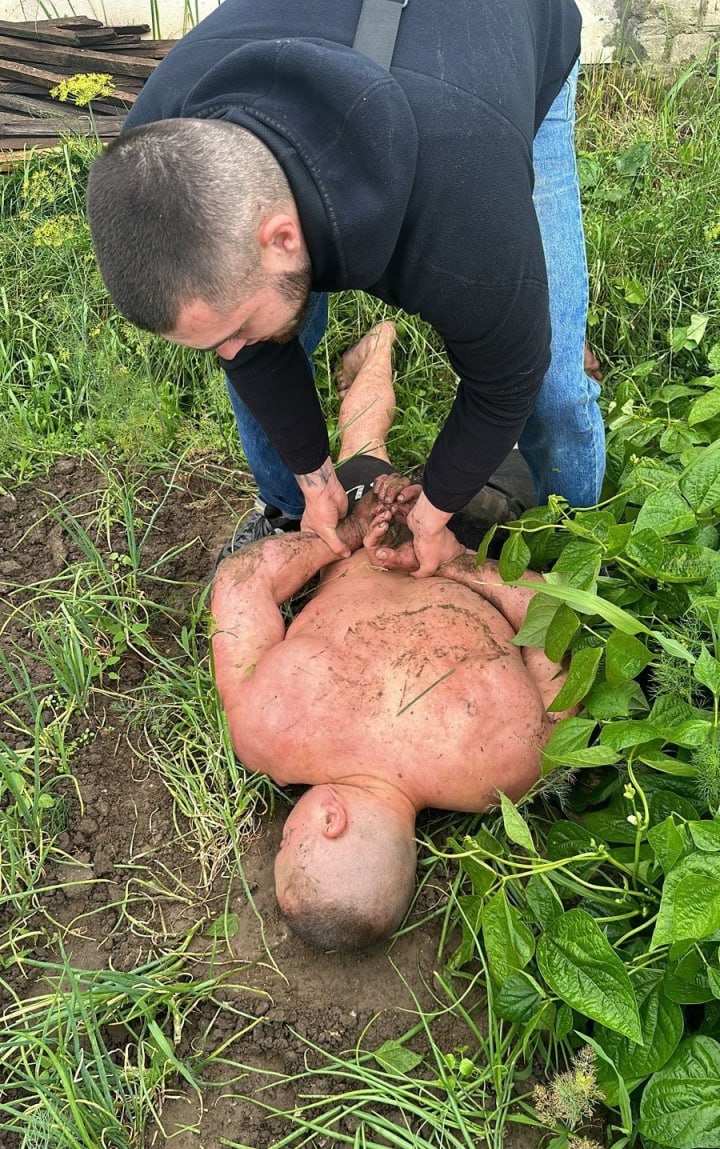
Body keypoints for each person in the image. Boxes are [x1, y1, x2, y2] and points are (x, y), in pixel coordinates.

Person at [87, 0, 604, 578]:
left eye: (228, 333)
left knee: (551, 388)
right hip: (336, 55)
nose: (229, 355)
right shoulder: (155, 159)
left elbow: (508, 378)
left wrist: (433, 513)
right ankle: (292, 511)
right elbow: (247, 352)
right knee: (260, 333)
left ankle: (574, 544)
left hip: (502, 49)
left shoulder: (465, 207)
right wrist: (315, 479)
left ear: (282, 237)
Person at [210, 323, 575, 950]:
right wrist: (452, 555)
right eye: (287, 846)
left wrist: (354, 534)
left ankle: (381, 349)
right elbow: (242, 579)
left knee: (368, 444)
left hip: (395, 538)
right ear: (328, 821)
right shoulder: (264, 733)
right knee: (485, 439)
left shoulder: (512, 770)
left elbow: (555, 626)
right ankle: (475, 364)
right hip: (453, 541)